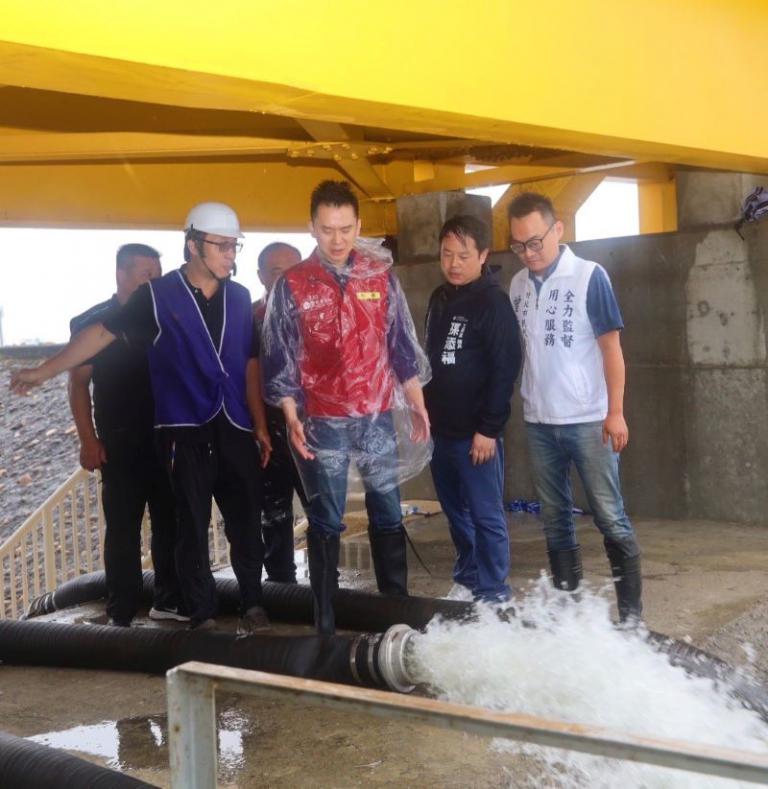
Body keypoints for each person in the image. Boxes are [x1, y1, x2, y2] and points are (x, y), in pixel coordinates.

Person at [11, 202, 273, 633]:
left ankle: (253, 603)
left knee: (245, 520)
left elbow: (249, 363)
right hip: (183, 428)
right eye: (222, 245)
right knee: (190, 525)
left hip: (234, 425)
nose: (231, 255)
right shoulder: (156, 295)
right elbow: (100, 334)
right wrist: (44, 371)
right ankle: (202, 614)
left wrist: (259, 424)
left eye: (234, 246)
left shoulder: (241, 296)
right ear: (193, 245)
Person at [262, 180, 431, 635]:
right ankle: (325, 618)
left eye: (345, 229)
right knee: (326, 518)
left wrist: (417, 403)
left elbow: (400, 347)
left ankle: (395, 608)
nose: (337, 240)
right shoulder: (293, 284)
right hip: (322, 418)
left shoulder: (379, 277)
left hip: (376, 415)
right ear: (311, 228)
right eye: (327, 229)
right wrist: (292, 416)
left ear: (358, 225)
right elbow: (280, 360)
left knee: (387, 509)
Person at [507, 192, 642, 623]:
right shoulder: (517, 285)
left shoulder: (589, 276)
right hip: (539, 421)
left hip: (589, 420)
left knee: (610, 516)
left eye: (535, 242)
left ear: (558, 230)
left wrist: (615, 412)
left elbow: (611, 349)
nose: (528, 253)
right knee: (554, 519)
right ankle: (570, 613)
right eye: (518, 245)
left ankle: (632, 618)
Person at [69, 244, 184, 626]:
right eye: (146, 275)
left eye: (158, 275)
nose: (154, 282)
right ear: (121, 273)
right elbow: (78, 385)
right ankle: (121, 611)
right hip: (118, 440)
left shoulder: (165, 317)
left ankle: (169, 600)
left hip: (167, 436)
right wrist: (88, 440)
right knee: (122, 528)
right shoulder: (92, 321)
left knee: (171, 522)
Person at [424, 216, 521, 604]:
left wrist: (489, 429)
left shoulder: (493, 303)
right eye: (446, 254)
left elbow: (505, 368)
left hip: (475, 434)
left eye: (463, 256)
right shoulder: (439, 297)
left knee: (485, 515)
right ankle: (467, 579)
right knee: (455, 512)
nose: (453, 264)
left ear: (483, 255)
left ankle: (495, 592)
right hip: (440, 432)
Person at [253, 242, 308, 583]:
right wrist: (257, 426)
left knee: (322, 510)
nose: (288, 278)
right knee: (274, 512)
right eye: (277, 271)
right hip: (267, 429)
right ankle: (280, 584)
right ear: (260, 276)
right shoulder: (249, 317)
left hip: (313, 428)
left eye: (295, 269)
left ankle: (326, 584)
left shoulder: (317, 313)